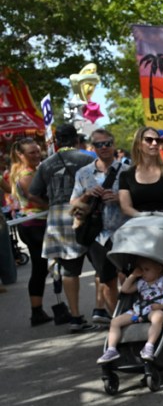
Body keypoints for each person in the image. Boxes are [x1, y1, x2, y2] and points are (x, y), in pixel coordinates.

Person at [27, 123, 101, 333]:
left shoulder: (46, 164)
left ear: (56, 141)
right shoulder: (88, 158)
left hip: (59, 217)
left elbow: (33, 193)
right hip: (88, 213)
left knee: (69, 269)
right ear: (77, 139)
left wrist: (50, 205)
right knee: (100, 265)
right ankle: (100, 309)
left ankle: (76, 317)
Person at [70, 128, 128, 324]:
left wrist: (120, 197)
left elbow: (140, 199)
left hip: (125, 231)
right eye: (98, 144)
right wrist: (87, 195)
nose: (104, 148)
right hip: (97, 235)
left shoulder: (128, 171)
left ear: (113, 145)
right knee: (107, 279)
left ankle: (134, 315)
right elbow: (74, 204)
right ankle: (118, 320)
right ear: (92, 147)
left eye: (107, 143)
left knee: (129, 277)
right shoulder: (83, 173)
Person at [96, 256, 163, 364]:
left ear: (159, 269)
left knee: (159, 316)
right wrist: (133, 275)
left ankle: (149, 346)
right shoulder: (140, 283)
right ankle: (111, 349)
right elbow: (124, 290)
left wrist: (162, 306)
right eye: (141, 270)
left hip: (153, 310)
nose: (143, 273)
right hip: (137, 311)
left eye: (146, 270)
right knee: (114, 321)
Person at [9, 138, 52, 325]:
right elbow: (35, 198)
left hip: (36, 223)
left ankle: (38, 311)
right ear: (20, 155)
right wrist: (54, 206)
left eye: (37, 151)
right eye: (31, 153)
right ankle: (36, 311)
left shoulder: (30, 171)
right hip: (34, 225)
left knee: (41, 267)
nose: (36, 155)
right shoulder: (26, 174)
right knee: (40, 267)